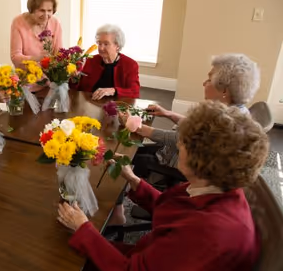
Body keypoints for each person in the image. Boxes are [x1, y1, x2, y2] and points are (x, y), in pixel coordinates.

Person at [58, 101, 268, 271]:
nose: (177, 145)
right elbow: (177, 212)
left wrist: (83, 228)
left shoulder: (209, 233)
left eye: (183, 142)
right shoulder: (217, 187)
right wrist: (134, 180)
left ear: (202, 160)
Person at [124, 53, 260, 175]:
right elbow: (195, 128)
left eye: (209, 80)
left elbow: (182, 139)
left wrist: (140, 128)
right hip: (175, 153)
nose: (204, 83)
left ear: (224, 90)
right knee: (138, 149)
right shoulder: (235, 110)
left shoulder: (224, 120)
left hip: (182, 165)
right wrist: (169, 114)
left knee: (129, 156)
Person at [72, 24, 140, 100]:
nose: (101, 48)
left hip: (117, 107)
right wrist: (75, 80)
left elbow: (135, 92)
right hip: (91, 104)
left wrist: (113, 90)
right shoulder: (91, 60)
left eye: (106, 44)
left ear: (117, 45)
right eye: (99, 43)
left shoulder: (130, 65)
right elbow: (80, 89)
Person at [10, 0, 63, 68]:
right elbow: (15, 58)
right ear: (32, 8)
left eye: (49, 11)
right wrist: (38, 58)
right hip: (26, 77)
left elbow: (59, 54)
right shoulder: (18, 22)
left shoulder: (55, 23)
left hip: (51, 77)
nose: (46, 15)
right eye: (42, 10)